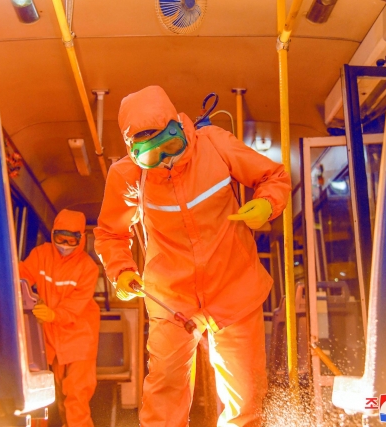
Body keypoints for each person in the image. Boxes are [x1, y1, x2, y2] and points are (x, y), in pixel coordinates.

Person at [94, 86, 291, 426]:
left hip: (234, 288)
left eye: (170, 147)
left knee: (246, 396)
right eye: (152, 156)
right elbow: (111, 233)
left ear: (180, 129)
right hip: (171, 298)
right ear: (133, 153)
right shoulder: (127, 176)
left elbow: (273, 176)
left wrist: (267, 203)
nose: (166, 160)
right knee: (164, 394)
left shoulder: (214, 143)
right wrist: (121, 271)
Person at [19, 209, 100, 427]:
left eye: (71, 239)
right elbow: (22, 275)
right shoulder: (41, 254)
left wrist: (52, 314)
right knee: (46, 395)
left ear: (81, 239)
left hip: (79, 339)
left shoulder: (87, 268)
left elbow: (74, 308)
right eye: (59, 238)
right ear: (53, 234)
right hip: (50, 337)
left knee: (75, 396)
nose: (64, 244)